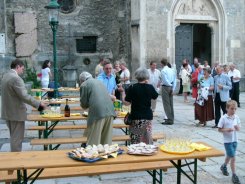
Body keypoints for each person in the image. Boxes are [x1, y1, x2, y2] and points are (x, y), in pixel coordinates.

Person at [1, 59, 47, 152]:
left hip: (8, 111)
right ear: (17, 66)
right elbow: (24, 96)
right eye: (22, 68)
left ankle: (14, 158)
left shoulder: (5, 75)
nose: (23, 70)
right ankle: (16, 160)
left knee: (13, 136)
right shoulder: (16, 78)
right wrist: (38, 104)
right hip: (16, 113)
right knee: (17, 139)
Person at [120, 68, 158, 144]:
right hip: (147, 118)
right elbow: (155, 96)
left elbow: (126, 103)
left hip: (136, 118)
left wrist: (122, 92)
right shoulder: (150, 87)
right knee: (147, 140)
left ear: (136, 76)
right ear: (147, 77)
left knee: (136, 140)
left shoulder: (132, 87)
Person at [79, 71, 116, 145]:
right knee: (106, 142)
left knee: (93, 142)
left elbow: (84, 104)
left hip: (98, 113)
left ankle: (92, 155)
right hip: (111, 111)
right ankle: (106, 155)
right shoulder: (99, 82)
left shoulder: (84, 84)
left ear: (82, 80)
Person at [218, 100, 241, 184]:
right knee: (233, 158)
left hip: (235, 140)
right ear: (227, 108)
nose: (233, 111)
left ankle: (224, 166)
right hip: (227, 141)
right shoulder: (223, 118)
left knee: (229, 155)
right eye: (232, 109)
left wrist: (236, 127)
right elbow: (219, 129)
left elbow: (239, 129)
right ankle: (234, 175)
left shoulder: (236, 117)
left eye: (235, 109)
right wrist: (227, 129)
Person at [160, 58, 176, 125]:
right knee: (171, 103)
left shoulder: (163, 70)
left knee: (166, 104)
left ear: (162, 63)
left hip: (166, 87)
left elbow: (165, 80)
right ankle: (171, 118)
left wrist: (169, 85)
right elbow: (174, 80)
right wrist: (173, 88)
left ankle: (169, 119)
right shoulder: (172, 70)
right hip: (171, 87)